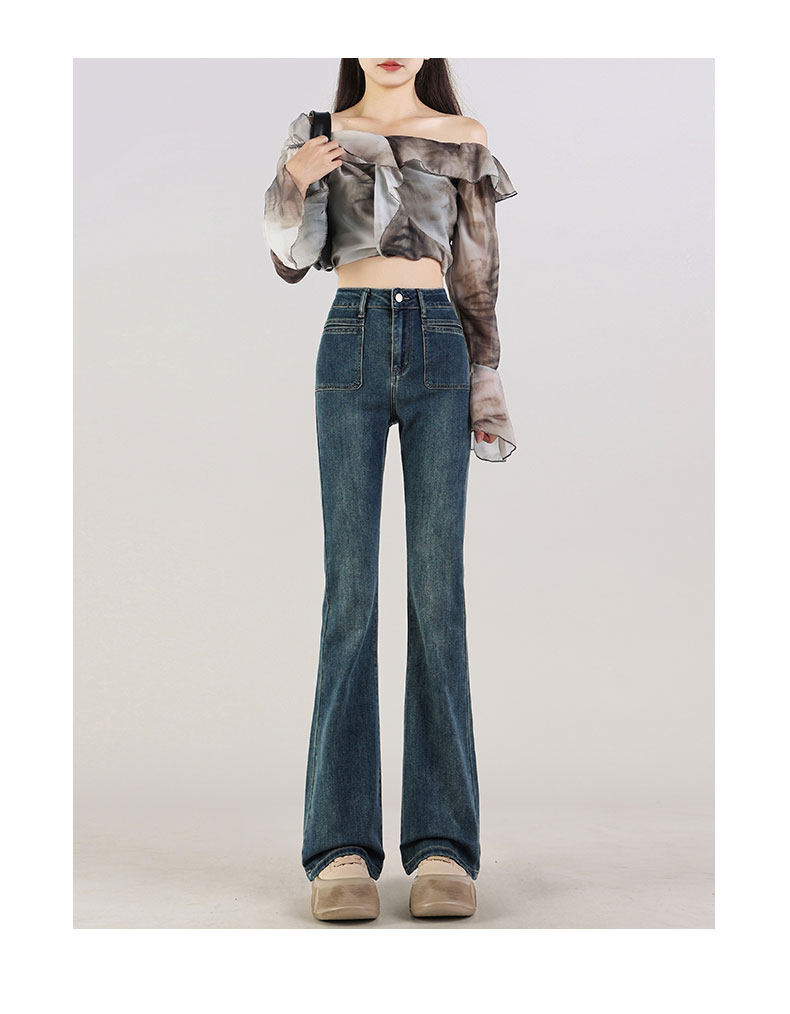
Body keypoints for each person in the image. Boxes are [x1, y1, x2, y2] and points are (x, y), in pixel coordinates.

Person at [263, 58, 518, 921]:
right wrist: (293, 183)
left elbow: (475, 275)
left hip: (442, 347)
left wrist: (487, 385)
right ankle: (339, 848)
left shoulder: (462, 138)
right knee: (350, 599)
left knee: (437, 597)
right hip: (350, 342)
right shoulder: (318, 133)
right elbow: (292, 261)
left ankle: (443, 845)